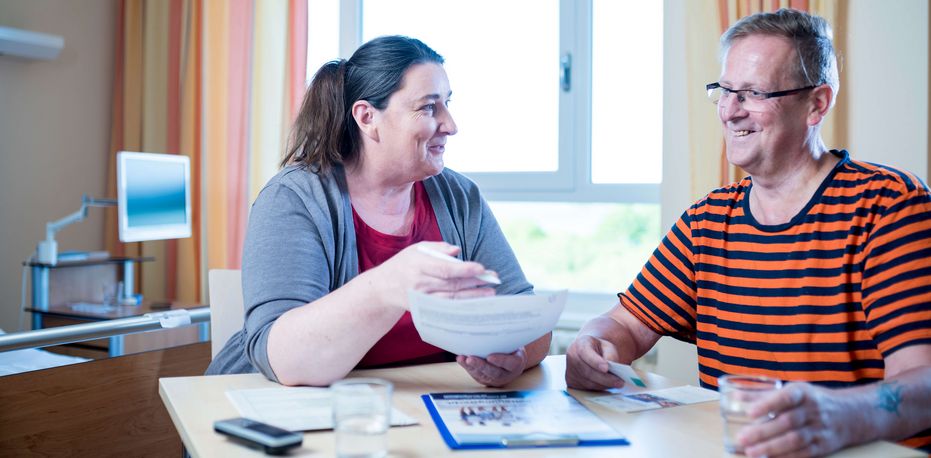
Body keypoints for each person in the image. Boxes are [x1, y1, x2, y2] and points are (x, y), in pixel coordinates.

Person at [565, 8, 931, 457]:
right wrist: (592, 346)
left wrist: (840, 416)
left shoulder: (888, 205)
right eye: (725, 90)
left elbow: (923, 383)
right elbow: (623, 325)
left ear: (817, 103)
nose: (730, 110)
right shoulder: (707, 221)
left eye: (754, 92)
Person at [207, 35, 550, 388]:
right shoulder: (294, 198)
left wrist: (515, 355)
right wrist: (390, 285)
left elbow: (527, 318)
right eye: (429, 107)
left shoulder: (460, 197)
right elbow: (285, 360)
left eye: (447, 104)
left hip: (410, 408)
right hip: (271, 412)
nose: (450, 124)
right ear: (367, 117)